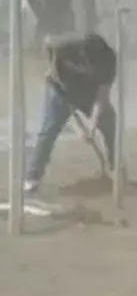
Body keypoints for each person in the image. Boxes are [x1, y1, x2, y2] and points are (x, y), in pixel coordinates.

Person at [24, 32, 118, 195]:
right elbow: (47, 41)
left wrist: (91, 126)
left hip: (88, 92)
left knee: (110, 122)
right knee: (48, 131)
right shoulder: (66, 46)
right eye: (88, 63)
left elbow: (102, 97)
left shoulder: (109, 60)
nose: (90, 68)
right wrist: (53, 67)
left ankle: (116, 168)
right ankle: (32, 178)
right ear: (82, 54)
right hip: (60, 90)